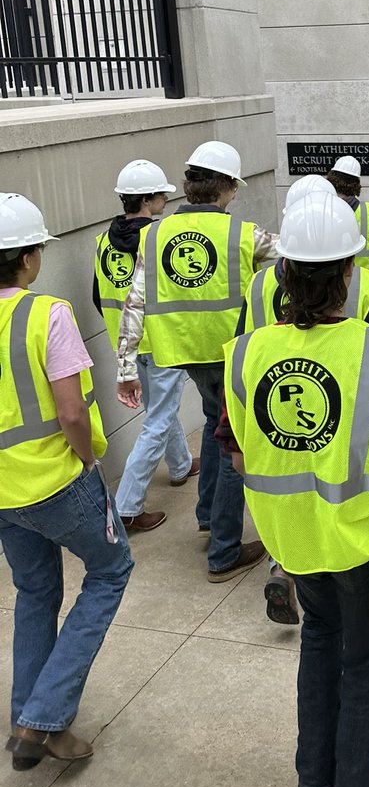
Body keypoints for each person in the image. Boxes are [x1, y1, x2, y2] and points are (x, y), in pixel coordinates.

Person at [222, 194, 369, 787]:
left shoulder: (245, 355)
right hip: (360, 544)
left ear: (281, 274)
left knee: (318, 645)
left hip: (293, 543)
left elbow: (238, 459)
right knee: (363, 669)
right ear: (350, 274)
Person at [0, 193, 133, 770]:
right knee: (110, 571)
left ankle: (28, 716)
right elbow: (73, 413)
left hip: (3, 492)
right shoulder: (45, 313)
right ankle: (43, 717)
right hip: (58, 479)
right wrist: (87, 461)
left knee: (35, 591)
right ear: (30, 257)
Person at [236, 175, 369, 626]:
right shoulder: (361, 284)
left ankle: (283, 566)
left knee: (290, 483)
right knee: (329, 487)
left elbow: (246, 343)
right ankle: (322, 561)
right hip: (341, 406)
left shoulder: (261, 284)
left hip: (275, 402)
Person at [116, 141, 274, 583]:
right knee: (233, 448)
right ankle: (223, 550)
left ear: (188, 186)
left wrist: (127, 368)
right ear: (224, 188)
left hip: (182, 354)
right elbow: (292, 252)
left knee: (212, 423)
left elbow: (135, 302)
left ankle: (207, 514)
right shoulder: (243, 235)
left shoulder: (154, 233)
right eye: (234, 189)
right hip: (229, 354)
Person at [93, 159, 198, 533]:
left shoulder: (104, 240)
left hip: (126, 344)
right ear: (149, 199)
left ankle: (182, 465)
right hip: (161, 340)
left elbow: (97, 295)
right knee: (156, 420)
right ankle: (127, 507)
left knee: (159, 409)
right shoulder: (160, 239)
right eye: (162, 195)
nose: (166, 201)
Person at [326, 155, 369, 271]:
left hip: (329, 282)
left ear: (331, 179)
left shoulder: (322, 209)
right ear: (356, 184)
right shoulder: (368, 211)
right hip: (363, 281)